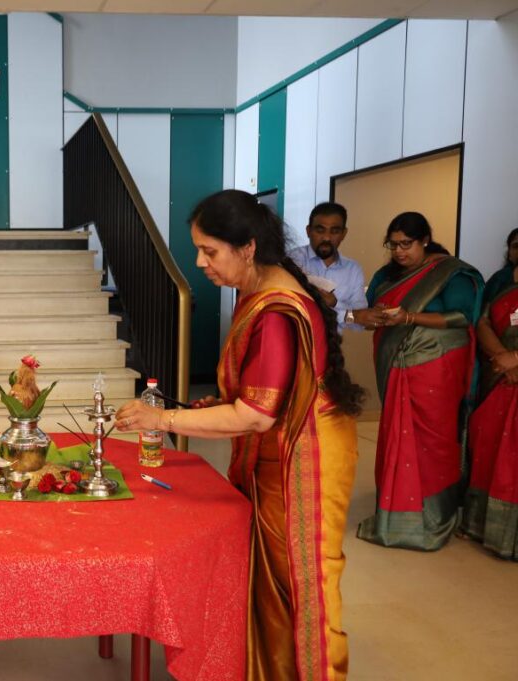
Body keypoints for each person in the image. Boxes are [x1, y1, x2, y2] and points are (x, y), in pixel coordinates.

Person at [116, 189, 363, 681]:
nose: (200, 263)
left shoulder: (275, 310)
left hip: (305, 459)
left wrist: (160, 420)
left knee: (301, 582)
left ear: (247, 248)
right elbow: (262, 395)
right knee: (270, 578)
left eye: (209, 251)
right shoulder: (262, 290)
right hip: (286, 445)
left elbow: (255, 416)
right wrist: (220, 404)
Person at [355, 212, 483, 551]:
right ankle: (395, 514)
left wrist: (410, 317)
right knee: (398, 437)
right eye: (393, 245)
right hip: (396, 365)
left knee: (432, 441)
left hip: (436, 370)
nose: (399, 251)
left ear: (425, 240)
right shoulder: (386, 275)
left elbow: (462, 317)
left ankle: (435, 515)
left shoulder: (450, 272)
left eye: (406, 244)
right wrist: (375, 317)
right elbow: (368, 314)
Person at [460, 227, 518, 559]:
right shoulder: (499, 283)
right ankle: (484, 527)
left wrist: (516, 358)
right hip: (499, 380)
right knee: (488, 446)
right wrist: (502, 357)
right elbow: (482, 323)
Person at [288, 202, 367, 331]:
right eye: (320, 230)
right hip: (296, 341)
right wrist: (346, 314)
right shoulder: (293, 260)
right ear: (308, 231)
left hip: (334, 343)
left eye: (335, 231)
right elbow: (292, 308)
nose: (326, 238)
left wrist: (336, 303)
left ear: (344, 234)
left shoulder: (353, 269)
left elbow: (361, 321)